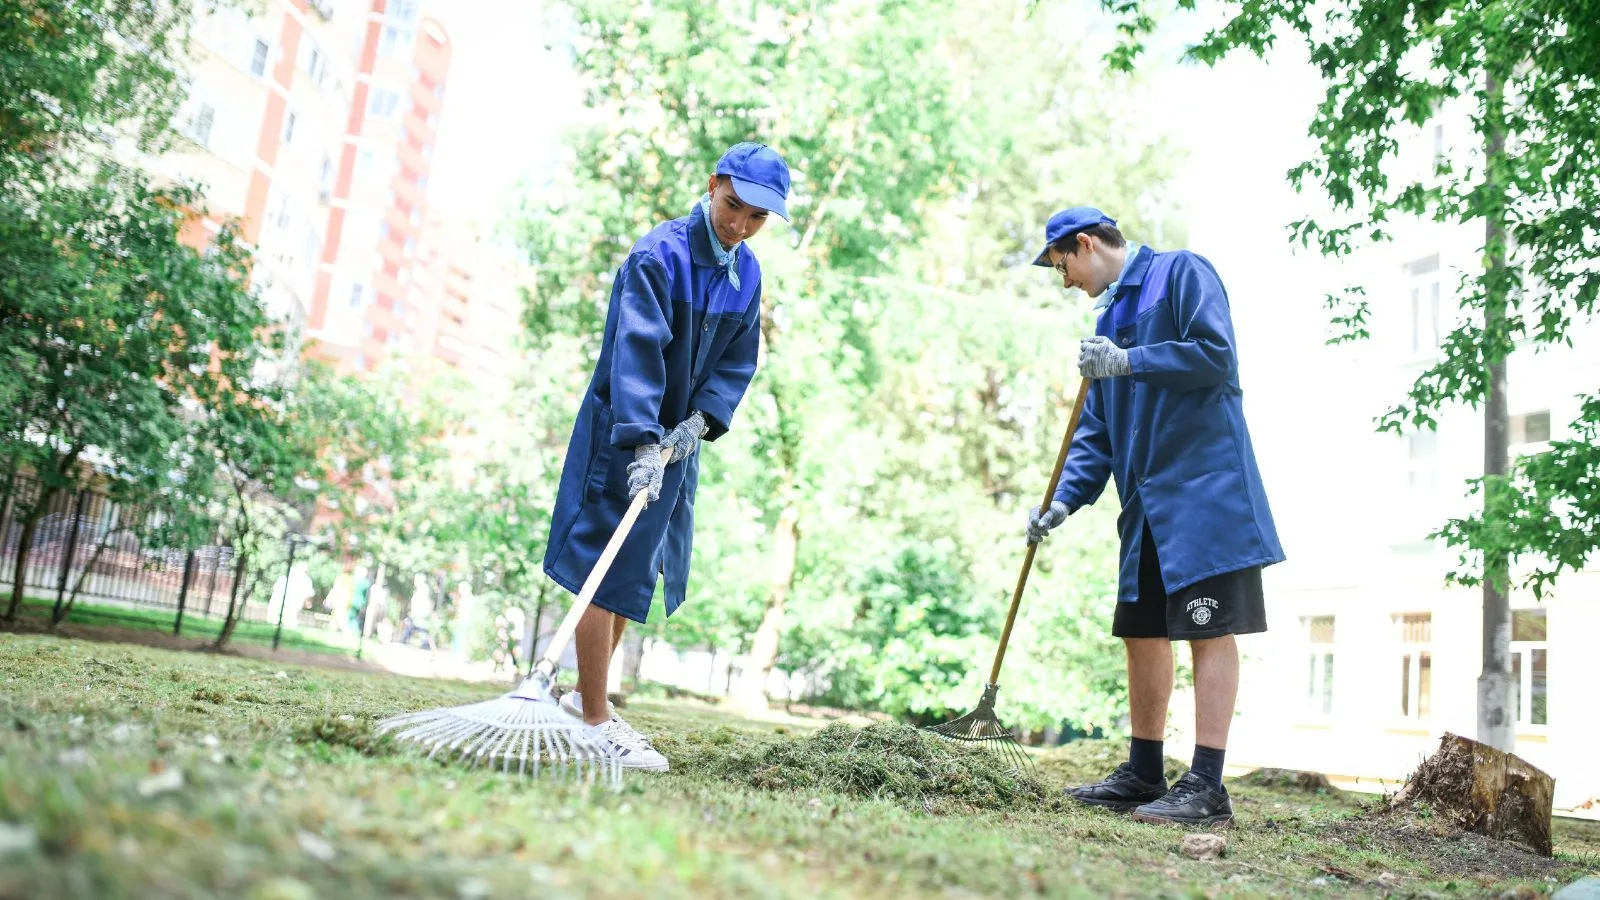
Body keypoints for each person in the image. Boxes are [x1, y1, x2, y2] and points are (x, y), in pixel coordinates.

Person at [1025, 207, 1284, 827]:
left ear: (1085, 245)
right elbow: (1096, 432)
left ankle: (1208, 784)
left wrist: (1132, 360)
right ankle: (1145, 770)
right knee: (1140, 629)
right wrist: (1059, 501)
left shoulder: (1181, 274)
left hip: (1204, 499)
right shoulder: (1108, 322)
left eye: (1063, 267)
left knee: (1207, 629)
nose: (1066, 283)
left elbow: (1214, 355)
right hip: (1144, 509)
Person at [543, 142, 788, 771]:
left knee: (634, 567)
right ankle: (594, 717)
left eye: (756, 219)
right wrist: (644, 437)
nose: (738, 226)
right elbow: (638, 351)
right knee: (603, 556)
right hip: (625, 431)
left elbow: (738, 362)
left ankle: (581, 699)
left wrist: (700, 422)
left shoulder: (747, 272)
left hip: (678, 442)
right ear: (713, 186)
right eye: (733, 207)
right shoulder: (659, 256)